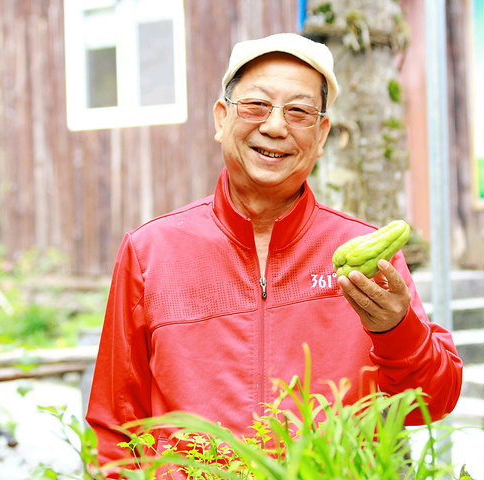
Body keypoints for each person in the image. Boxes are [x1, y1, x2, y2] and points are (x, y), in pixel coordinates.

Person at [86, 32, 463, 473]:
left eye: (299, 112)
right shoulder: (150, 252)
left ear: (321, 135)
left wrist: (397, 330)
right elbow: (115, 427)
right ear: (221, 118)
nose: (275, 127)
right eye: (256, 105)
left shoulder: (367, 257)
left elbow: (434, 401)